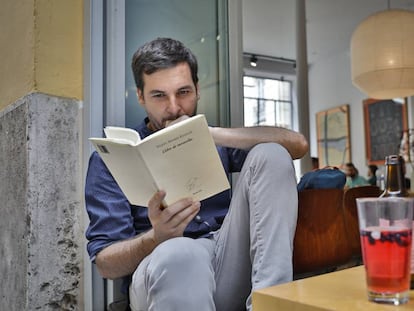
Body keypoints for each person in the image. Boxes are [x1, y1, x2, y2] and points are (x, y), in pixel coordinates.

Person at [85, 37, 308, 311]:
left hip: (224, 259)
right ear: (141, 96)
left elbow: (298, 145)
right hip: (161, 270)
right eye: (159, 96)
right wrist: (157, 237)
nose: (174, 108)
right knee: (181, 253)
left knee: (271, 155)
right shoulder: (110, 162)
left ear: (197, 90)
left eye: (183, 92)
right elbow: (106, 264)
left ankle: (270, 304)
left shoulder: (216, 139)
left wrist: (210, 134)